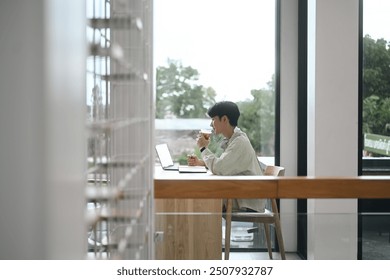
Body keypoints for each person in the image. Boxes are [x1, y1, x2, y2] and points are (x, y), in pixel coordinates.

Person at [187, 101, 266, 212]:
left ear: (224, 119)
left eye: (213, 119)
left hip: (247, 201)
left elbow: (220, 168)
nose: (211, 124)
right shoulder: (234, 139)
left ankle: (200, 228)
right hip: (242, 194)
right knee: (199, 196)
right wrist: (202, 163)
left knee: (200, 196)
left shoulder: (239, 142)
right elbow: (224, 164)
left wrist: (203, 148)